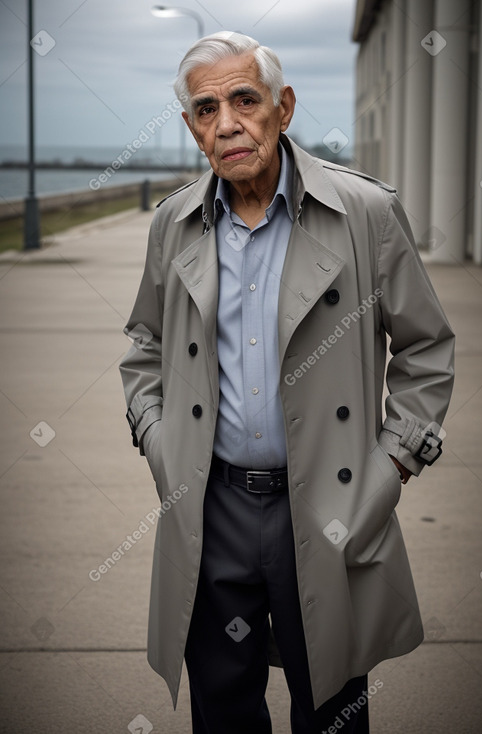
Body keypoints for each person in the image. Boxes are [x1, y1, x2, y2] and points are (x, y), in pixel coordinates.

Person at [119, 31, 454, 734]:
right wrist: (158, 442)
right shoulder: (172, 224)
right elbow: (143, 346)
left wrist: (390, 465)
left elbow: (425, 348)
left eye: (245, 99)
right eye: (206, 109)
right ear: (191, 128)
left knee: (331, 701)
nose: (227, 123)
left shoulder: (362, 212)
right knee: (222, 706)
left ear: (283, 108)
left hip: (330, 502)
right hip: (211, 506)